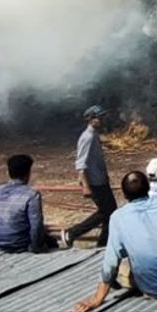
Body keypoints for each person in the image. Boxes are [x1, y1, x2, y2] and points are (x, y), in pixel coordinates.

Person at [72, 171, 157, 312]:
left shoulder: (118, 217)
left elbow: (110, 262)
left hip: (151, 288)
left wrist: (97, 298)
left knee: (124, 269)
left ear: (124, 195)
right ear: (148, 188)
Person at [0, 154, 55, 253]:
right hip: (21, 243)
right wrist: (37, 247)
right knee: (52, 243)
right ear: (28, 173)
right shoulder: (31, 194)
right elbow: (36, 225)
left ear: (8, 172)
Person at [65, 105, 117, 248]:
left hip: (100, 180)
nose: (102, 120)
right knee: (107, 212)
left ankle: (103, 243)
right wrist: (86, 186)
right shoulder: (87, 137)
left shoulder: (94, 135)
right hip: (95, 182)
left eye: (102, 117)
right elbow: (81, 164)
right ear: (91, 119)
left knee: (110, 213)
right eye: (99, 118)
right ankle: (73, 232)